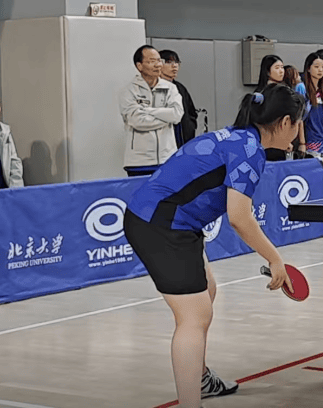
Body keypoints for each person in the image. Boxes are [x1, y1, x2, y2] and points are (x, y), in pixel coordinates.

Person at [123, 83, 306, 408]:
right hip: (161, 225)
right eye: (297, 124)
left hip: (169, 220)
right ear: (284, 123)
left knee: (207, 290)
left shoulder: (239, 137)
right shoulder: (250, 150)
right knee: (194, 317)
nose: (297, 132)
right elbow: (239, 217)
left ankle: (199, 377)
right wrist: (274, 258)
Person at [119, 45, 183, 177]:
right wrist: (166, 118)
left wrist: (149, 111)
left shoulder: (170, 88)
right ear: (139, 66)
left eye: (159, 61)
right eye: (152, 61)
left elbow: (177, 115)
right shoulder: (129, 91)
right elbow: (137, 121)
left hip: (167, 158)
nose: (158, 65)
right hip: (139, 161)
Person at [159, 50, 198, 147]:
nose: (175, 66)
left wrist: (190, 128)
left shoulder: (180, 88)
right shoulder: (154, 88)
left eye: (177, 62)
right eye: (169, 62)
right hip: (162, 143)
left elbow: (191, 112)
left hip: (183, 141)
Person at [301, 53, 323, 158]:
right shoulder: (303, 89)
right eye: (316, 67)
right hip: (309, 141)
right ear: (308, 68)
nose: (320, 70)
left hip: (322, 141)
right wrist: (302, 143)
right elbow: (299, 119)